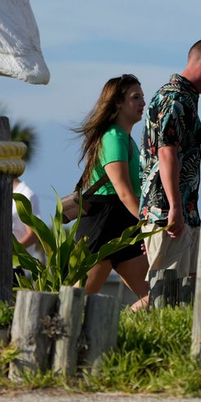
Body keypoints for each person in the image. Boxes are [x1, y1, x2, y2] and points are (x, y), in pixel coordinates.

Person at [140, 37, 201, 278]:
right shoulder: (175, 98)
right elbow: (166, 152)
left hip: (180, 214)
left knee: (184, 290)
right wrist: (175, 208)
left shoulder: (183, 98)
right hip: (168, 214)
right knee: (167, 290)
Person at [72, 74, 151, 302]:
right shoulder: (113, 137)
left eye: (142, 97)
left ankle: (123, 325)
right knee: (77, 302)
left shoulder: (127, 139)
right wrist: (149, 226)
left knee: (155, 298)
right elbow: (124, 192)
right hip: (103, 222)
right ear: (118, 102)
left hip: (124, 223)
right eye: (136, 97)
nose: (143, 103)